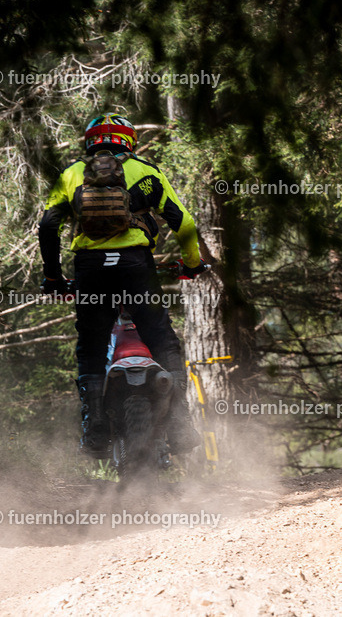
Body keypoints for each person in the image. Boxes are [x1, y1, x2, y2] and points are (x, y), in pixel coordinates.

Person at [38, 113, 206, 457]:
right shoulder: (145, 171)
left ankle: (95, 425)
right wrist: (191, 264)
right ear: (128, 140)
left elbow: (47, 227)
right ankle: (180, 421)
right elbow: (182, 221)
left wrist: (54, 277)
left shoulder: (71, 174)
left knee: (91, 346)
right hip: (135, 266)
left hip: (91, 270)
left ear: (91, 141)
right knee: (161, 338)